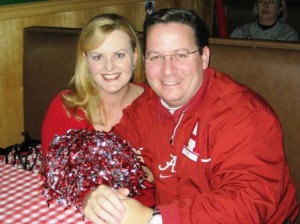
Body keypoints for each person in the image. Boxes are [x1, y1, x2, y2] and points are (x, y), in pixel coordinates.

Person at [83, 8, 299, 224]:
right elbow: (104, 153)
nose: (168, 70)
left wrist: (154, 219)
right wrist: (92, 194)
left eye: (180, 55)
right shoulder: (143, 109)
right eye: (156, 57)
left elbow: (248, 202)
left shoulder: (243, 115)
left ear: (204, 57)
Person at [41, 13, 154, 207]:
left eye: (119, 55)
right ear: (85, 60)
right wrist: (86, 197)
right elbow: (54, 175)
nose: (109, 66)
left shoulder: (157, 103)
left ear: (135, 56)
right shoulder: (65, 107)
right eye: (98, 56)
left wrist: (153, 174)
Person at [230, 0, 299, 41]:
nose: (265, 5)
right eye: (261, 1)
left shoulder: (289, 35)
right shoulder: (241, 32)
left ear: (280, 9)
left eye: (271, 1)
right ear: (256, 7)